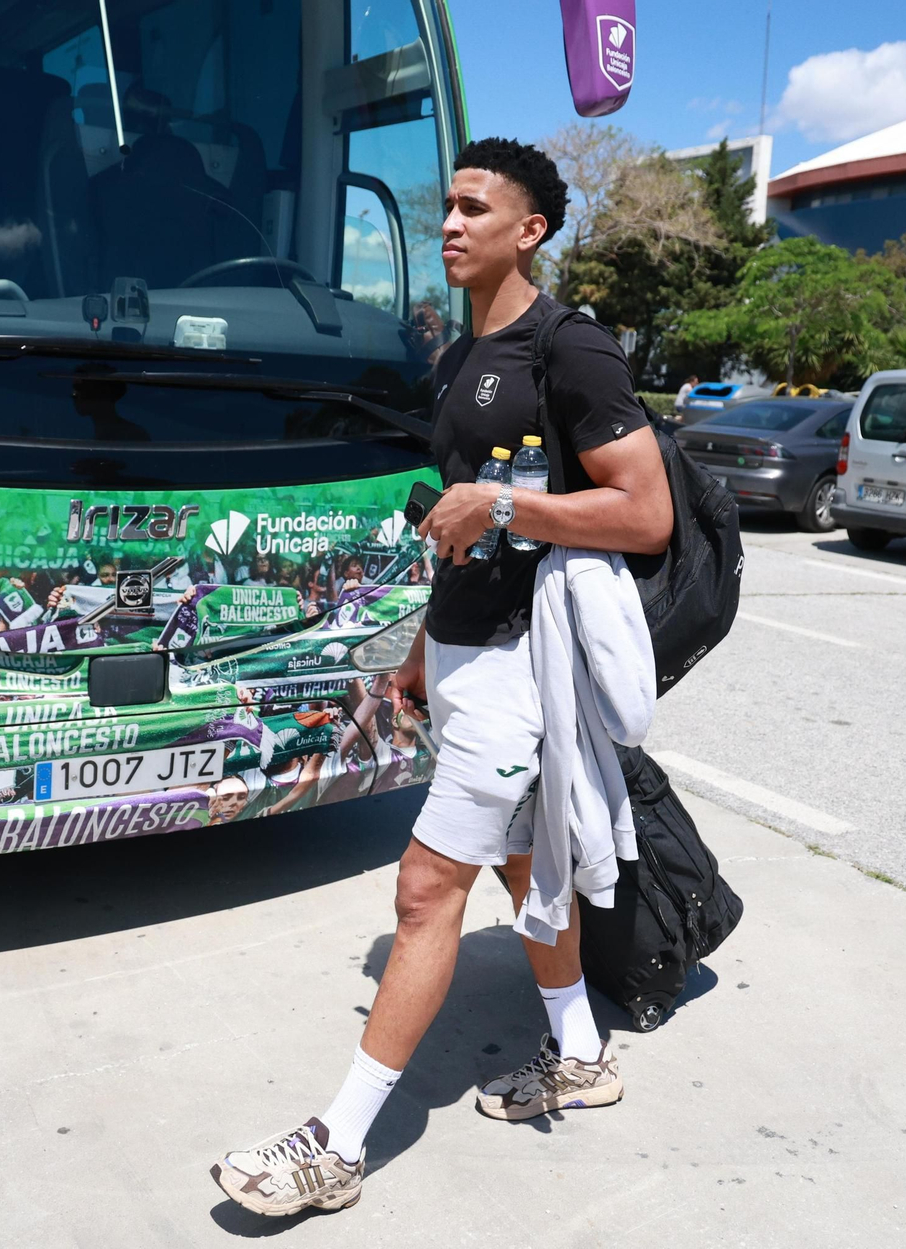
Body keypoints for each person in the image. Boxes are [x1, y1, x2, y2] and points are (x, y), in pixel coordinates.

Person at [211, 137, 673, 1217]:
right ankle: (581, 1054)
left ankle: (335, 1146)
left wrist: (506, 506)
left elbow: (644, 512)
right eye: (446, 209)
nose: (450, 225)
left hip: (528, 667)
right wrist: (427, 642)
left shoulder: (573, 349)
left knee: (425, 893)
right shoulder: (456, 359)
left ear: (531, 230)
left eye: (475, 209)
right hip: (467, 651)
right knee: (525, 870)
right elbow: (456, 520)